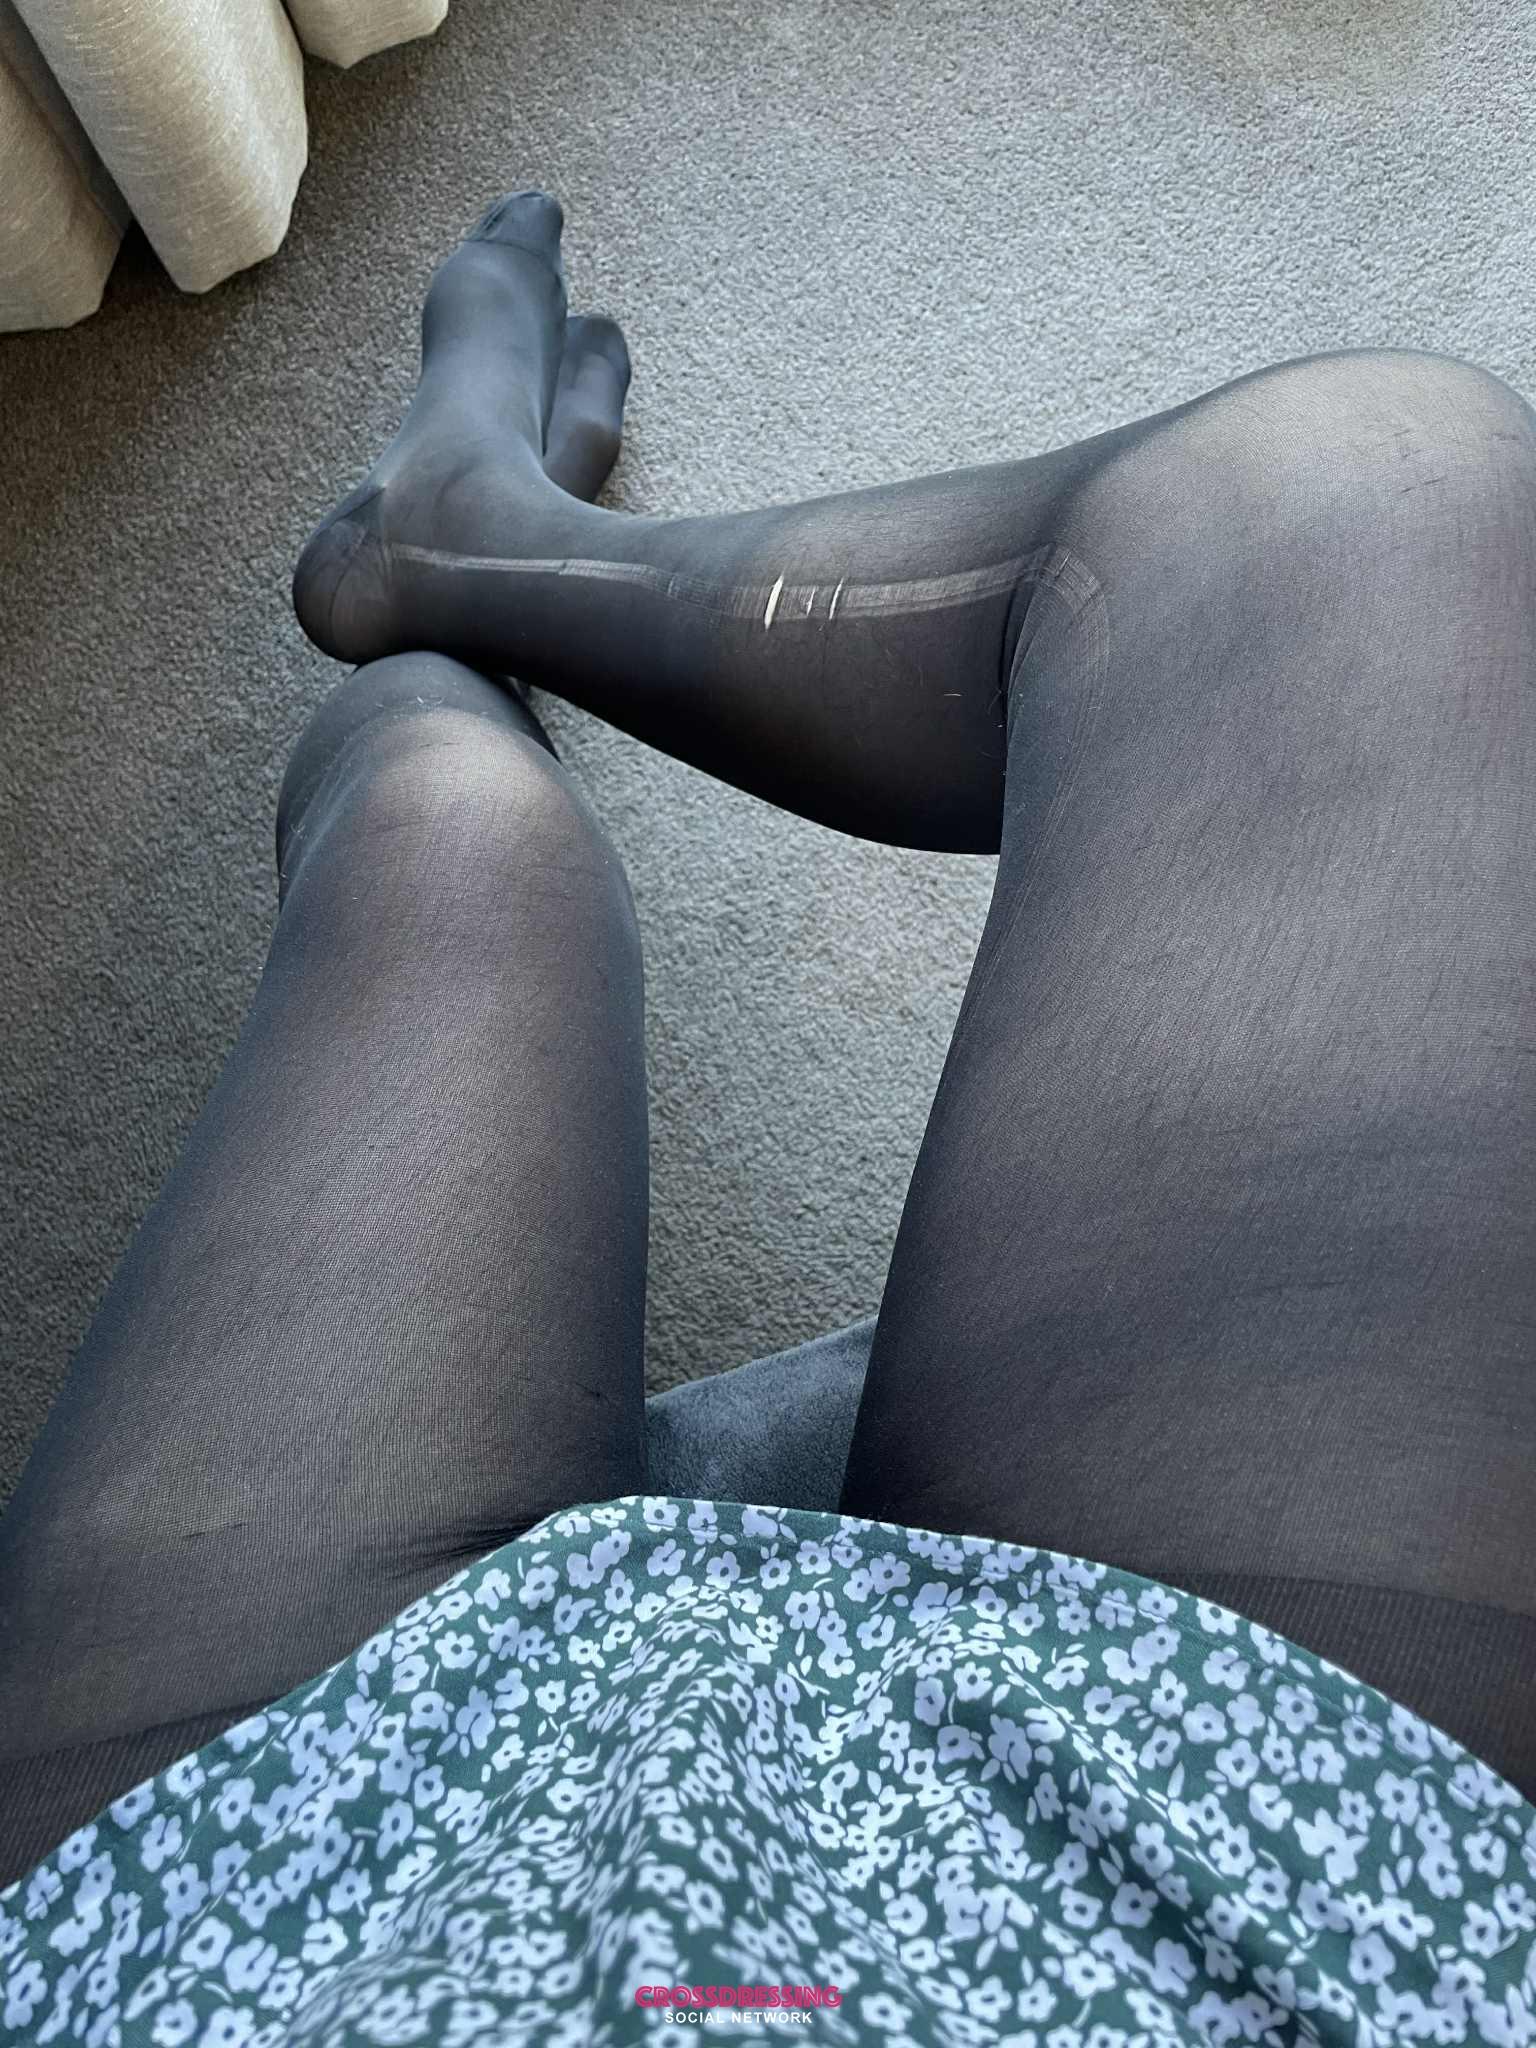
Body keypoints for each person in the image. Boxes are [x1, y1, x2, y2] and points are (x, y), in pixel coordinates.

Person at [0, 190, 1532, 2044]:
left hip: (275, 1921)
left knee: (449, 830)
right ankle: (472, 545)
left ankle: (446, 558)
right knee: (1356, 501)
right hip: (1245, 1900)